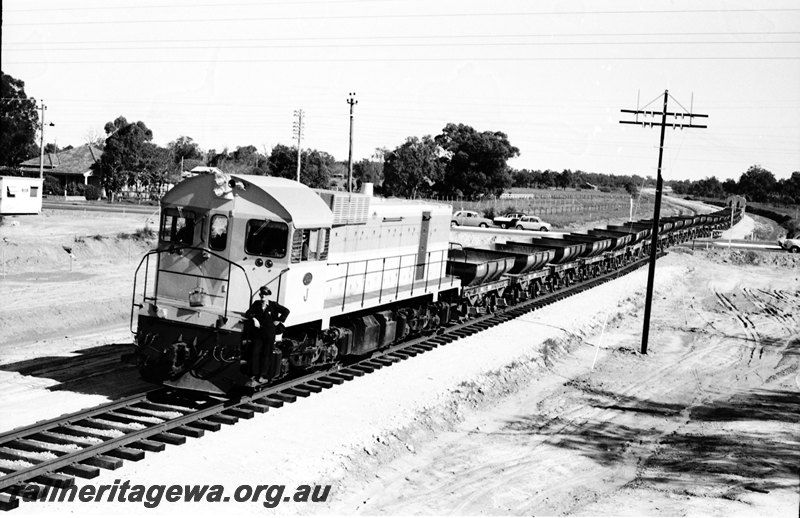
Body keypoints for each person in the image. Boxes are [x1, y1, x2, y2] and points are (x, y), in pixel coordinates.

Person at [244, 286, 290, 387]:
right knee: (255, 352)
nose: (262, 296)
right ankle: (254, 374)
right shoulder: (256, 304)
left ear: (268, 295)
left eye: (264, 294)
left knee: (266, 354)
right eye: (261, 294)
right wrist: (254, 319)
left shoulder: (273, 305)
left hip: (269, 334)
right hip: (258, 333)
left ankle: (262, 375)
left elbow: (286, 311)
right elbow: (248, 313)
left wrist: (279, 320)